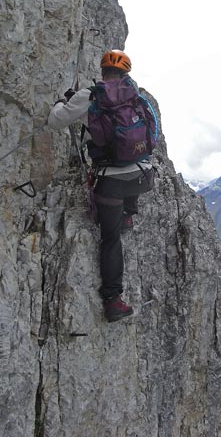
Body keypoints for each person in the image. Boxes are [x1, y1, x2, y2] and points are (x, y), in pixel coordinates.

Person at [48, 50, 155, 323]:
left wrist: (64, 102)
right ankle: (129, 214)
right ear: (126, 73)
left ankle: (113, 300)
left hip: (111, 182)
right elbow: (151, 134)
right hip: (142, 177)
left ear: (102, 70)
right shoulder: (137, 98)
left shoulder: (90, 96)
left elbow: (55, 121)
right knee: (129, 181)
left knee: (110, 240)